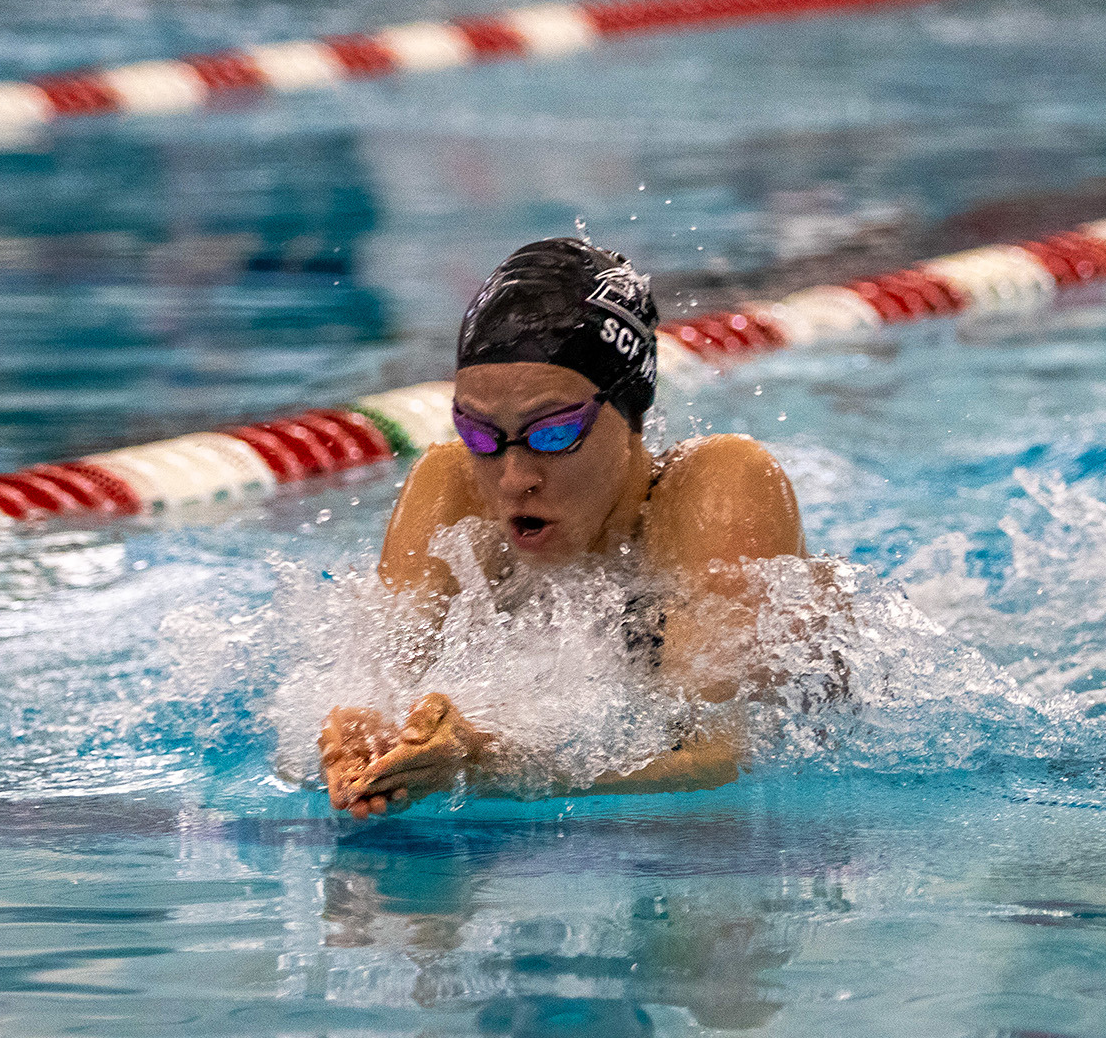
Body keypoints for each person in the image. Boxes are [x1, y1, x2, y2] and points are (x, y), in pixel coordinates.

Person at [317, 238, 806, 819]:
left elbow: (719, 758)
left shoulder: (716, 488)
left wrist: (486, 765)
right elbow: (380, 681)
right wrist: (364, 741)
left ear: (631, 417)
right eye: (480, 436)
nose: (512, 479)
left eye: (552, 434)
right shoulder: (453, 488)